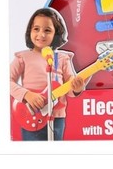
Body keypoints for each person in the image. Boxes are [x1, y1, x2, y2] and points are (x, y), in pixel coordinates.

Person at [10, 7, 85, 141]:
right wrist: (27, 95)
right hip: (30, 114)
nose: (41, 34)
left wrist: (77, 88)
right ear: (30, 31)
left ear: (56, 34)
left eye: (47, 30)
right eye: (36, 29)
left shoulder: (62, 58)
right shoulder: (23, 57)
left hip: (57, 117)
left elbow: (70, 89)